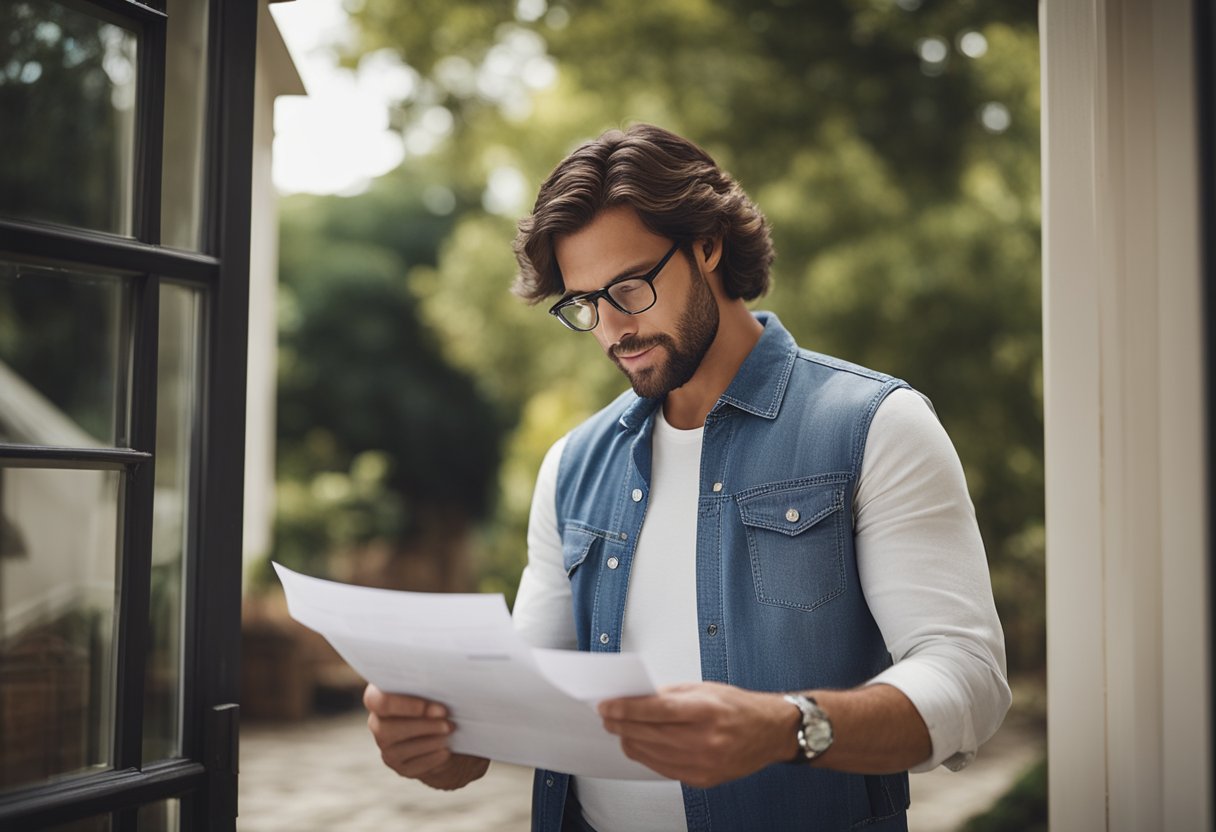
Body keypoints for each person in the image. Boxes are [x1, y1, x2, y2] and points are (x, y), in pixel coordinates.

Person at [363, 124, 1011, 831]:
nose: (612, 330)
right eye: (585, 303)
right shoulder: (571, 467)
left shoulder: (877, 426)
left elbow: (969, 681)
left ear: (708, 244)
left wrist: (787, 727)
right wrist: (438, 744)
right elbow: (514, 714)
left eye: (631, 287)